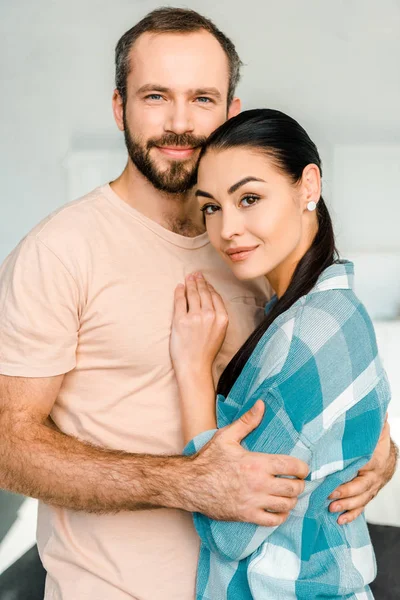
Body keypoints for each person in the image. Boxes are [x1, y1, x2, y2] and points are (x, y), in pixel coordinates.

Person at [0, 8, 396, 600]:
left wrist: (378, 449)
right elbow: (9, 447)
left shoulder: (253, 246)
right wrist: (185, 482)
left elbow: (313, 381)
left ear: (231, 111)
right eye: (155, 96)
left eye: (202, 99)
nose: (179, 123)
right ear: (120, 107)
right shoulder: (59, 253)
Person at [170, 108, 391, 598]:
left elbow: (231, 529)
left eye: (249, 198)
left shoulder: (313, 328)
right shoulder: (308, 313)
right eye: (211, 206)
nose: (227, 228)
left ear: (307, 186)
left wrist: (191, 370)